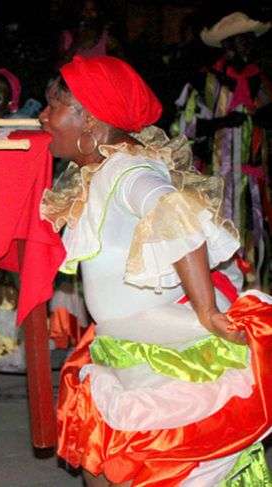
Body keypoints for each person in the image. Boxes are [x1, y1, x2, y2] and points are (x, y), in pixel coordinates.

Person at [40, 55, 272, 486]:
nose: (43, 116)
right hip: (127, 338)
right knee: (110, 458)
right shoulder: (104, 170)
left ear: (88, 119)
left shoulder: (128, 171)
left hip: (156, 340)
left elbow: (175, 211)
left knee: (144, 461)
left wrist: (205, 311)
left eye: (54, 107)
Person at [171, 12, 271, 287]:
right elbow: (182, 129)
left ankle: (256, 298)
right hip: (218, 181)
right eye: (242, 40)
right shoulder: (205, 82)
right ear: (227, 45)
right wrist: (221, 122)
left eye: (251, 40)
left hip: (256, 182)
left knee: (256, 240)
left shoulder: (261, 81)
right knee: (222, 237)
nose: (248, 45)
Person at [57, 0, 122, 66]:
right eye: (84, 9)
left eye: (92, 10)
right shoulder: (66, 36)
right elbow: (59, 67)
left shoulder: (106, 37)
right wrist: (76, 43)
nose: (88, 13)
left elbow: (121, 63)